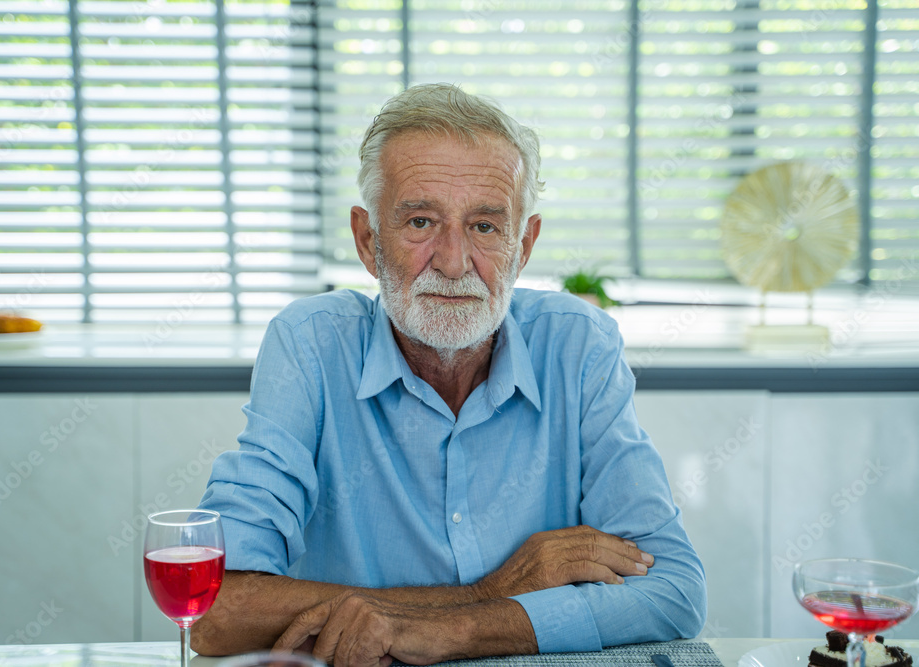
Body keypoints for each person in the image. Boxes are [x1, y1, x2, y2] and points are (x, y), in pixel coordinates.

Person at [192, 83, 706, 666]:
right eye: (420, 221)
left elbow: (674, 592)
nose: (455, 261)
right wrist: (488, 596)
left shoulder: (578, 345)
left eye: (485, 227)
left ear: (524, 244)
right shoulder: (311, 344)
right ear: (368, 241)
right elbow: (215, 612)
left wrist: (449, 630)